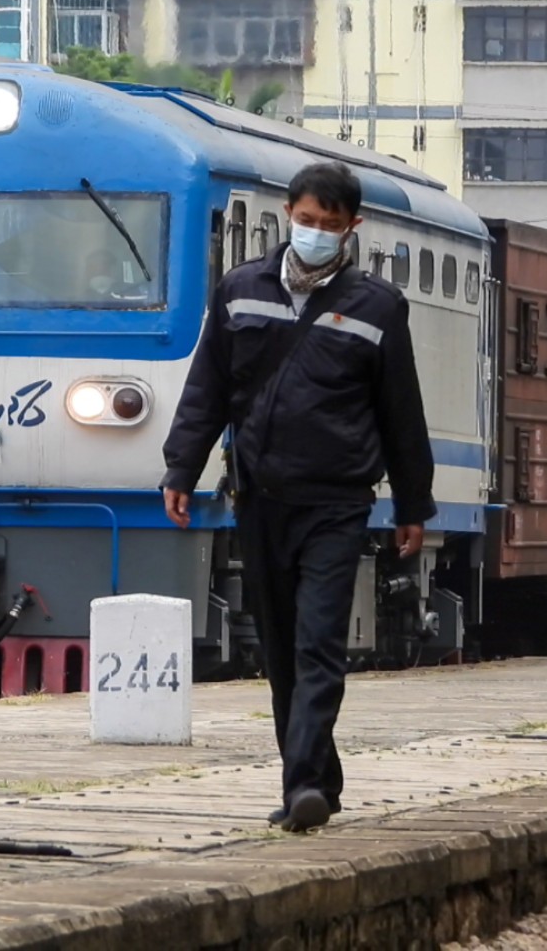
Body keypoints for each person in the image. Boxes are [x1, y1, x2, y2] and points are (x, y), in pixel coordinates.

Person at [160, 161, 435, 835]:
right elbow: (207, 391)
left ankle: (303, 784)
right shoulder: (239, 291)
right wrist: (179, 471)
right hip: (260, 496)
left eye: (329, 225)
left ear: (352, 227)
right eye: (306, 220)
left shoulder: (376, 306)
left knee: (318, 642)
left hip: (337, 503)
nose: (314, 233)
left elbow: (402, 412)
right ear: (289, 214)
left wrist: (411, 505)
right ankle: (319, 775)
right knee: (280, 649)